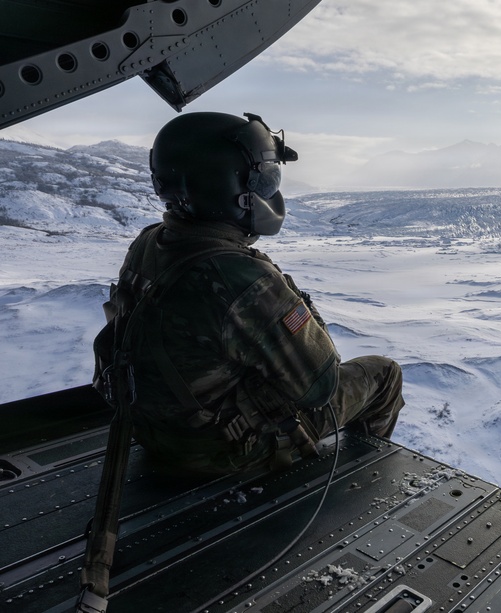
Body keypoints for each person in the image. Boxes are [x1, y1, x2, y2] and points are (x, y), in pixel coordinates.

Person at [94, 111, 404, 474]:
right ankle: (364, 478)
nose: (268, 192)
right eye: (262, 181)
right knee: (384, 374)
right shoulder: (241, 278)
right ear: (227, 187)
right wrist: (290, 296)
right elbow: (321, 384)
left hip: (154, 431)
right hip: (217, 451)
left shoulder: (151, 242)